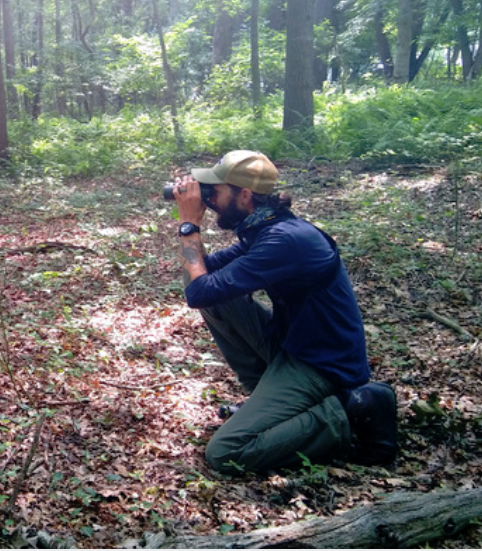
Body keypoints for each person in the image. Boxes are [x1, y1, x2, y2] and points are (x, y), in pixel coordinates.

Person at [170, 150, 398, 474]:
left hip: (322, 364)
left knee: (225, 453)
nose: (210, 199)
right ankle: (270, 396)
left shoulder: (286, 240)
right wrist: (193, 221)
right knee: (216, 296)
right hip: (294, 347)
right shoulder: (262, 227)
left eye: (215, 191)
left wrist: (188, 224)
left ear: (245, 195)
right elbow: (201, 278)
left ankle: (351, 408)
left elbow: (198, 289)